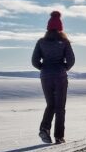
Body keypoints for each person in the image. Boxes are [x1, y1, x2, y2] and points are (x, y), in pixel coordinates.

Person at [31, 11, 75, 144]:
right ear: (60, 28)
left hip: (45, 76)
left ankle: (44, 129)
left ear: (48, 27)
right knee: (60, 107)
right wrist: (63, 68)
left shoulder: (41, 42)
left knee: (50, 104)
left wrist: (44, 69)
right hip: (60, 76)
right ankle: (59, 136)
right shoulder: (64, 42)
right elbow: (71, 60)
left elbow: (34, 61)